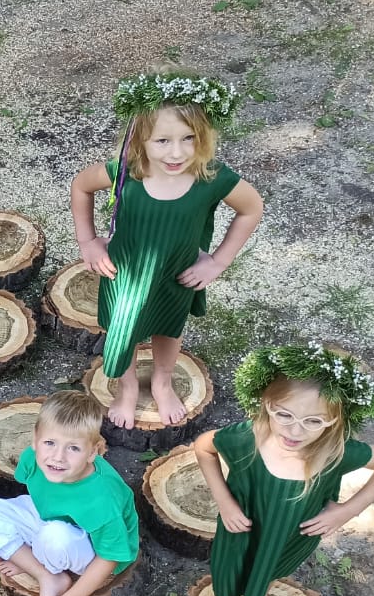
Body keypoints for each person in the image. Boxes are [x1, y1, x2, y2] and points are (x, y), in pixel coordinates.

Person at [70, 72, 264, 427]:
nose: (177, 152)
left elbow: (251, 209)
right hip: (125, 273)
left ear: (204, 136)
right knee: (123, 329)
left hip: (177, 273)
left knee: (169, 329)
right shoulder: (128, 172)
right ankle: (127, 388)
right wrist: (88, 240)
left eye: (189, 138)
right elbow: (81, 186)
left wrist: (218, 261)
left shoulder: (212, 177)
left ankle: (162, 381)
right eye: (162, 141)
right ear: (140, 138)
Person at [195, 343, 374, 596]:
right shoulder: (247, 438)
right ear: (267, 403)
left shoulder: (335, 452)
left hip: (291, 535)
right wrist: (224, 500)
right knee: (230, 574)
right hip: (242, 529)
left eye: (313, 421)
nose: (295, 430)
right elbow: (203, 448)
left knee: (270, 567)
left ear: (334, 420)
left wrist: (346, 511)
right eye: (284, 414)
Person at [0, 390, 140, 596]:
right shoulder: (34, 458)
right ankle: (46, 573)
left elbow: (109, 558)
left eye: (74, 449)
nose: (57, 457)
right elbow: (36, 504)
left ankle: (40, 562)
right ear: (35, 440)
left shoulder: (101, 499)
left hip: (89, 548)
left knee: (55, 536)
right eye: (49, 443)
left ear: (93, 452)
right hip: (52, 519)